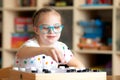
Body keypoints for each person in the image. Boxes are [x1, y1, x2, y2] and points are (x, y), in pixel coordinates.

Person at [14, 7, 85, 72]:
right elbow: (21, 53)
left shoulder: (61, 47)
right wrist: (45, 50)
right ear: (36, 30)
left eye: (56, 27)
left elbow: (79, 66)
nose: (51, 31)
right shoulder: (31, 44)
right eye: (45, 27)